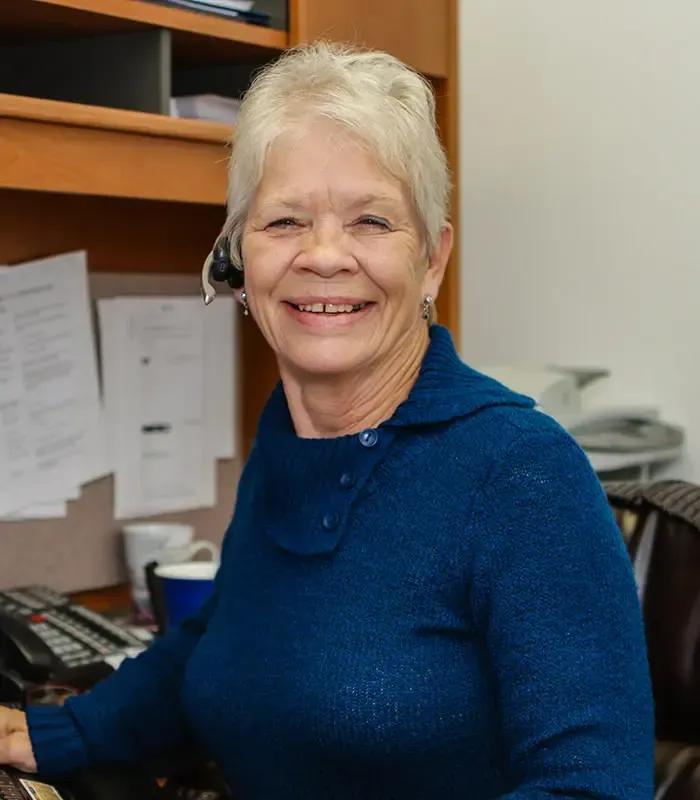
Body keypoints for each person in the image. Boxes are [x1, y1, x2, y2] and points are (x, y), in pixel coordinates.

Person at [0, 41, 653, 799]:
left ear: (433, 259)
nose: (325, 255)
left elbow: (592, 788)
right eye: (284, 222)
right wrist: (56, 732)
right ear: (238, 255)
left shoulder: (521, 474)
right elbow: (224, 642)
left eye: (371, 220)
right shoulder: (291, 435)